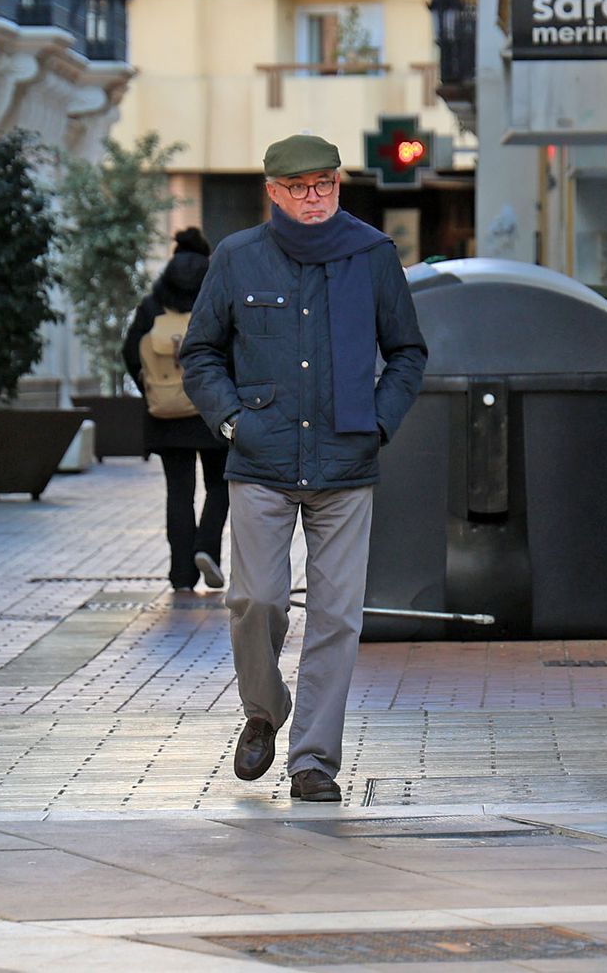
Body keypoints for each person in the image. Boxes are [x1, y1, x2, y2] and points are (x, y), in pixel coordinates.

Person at [181, 134, 427, 802]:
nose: (314, 198)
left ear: (338, 185)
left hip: (346, 463)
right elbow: (200, 353)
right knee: (254, 598)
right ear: (274, 192)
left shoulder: (371, 256)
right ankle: (263, 709)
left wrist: (378, 421)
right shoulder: (237, 259)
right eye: (300, 187)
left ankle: (312, 758)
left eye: (325, 184)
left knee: (337, 616)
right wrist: (233, 420)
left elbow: (408, 351)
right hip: (259, 459)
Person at [122, 228, 229, 592]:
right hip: (213, 409)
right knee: (220, 484)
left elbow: (130, 351)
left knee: (178, 492)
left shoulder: (154, 303)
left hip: (165, 415)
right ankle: (207, 548)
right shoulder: (216, 295)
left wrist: (152, 388)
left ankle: (181, 575)